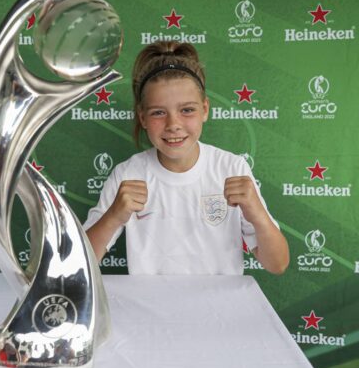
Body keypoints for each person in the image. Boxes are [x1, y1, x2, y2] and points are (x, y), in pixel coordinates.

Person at [84, 41, 289, 275]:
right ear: (142, 117)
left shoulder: (231, 167)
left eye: (187, 110)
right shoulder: (128, 174)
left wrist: (256, 213)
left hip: (219, 309)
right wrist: (113, 217)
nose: (173, 125)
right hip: (153, 308)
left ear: (205, 110)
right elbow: (81, 262)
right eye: (159, 113)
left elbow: (277, 264)